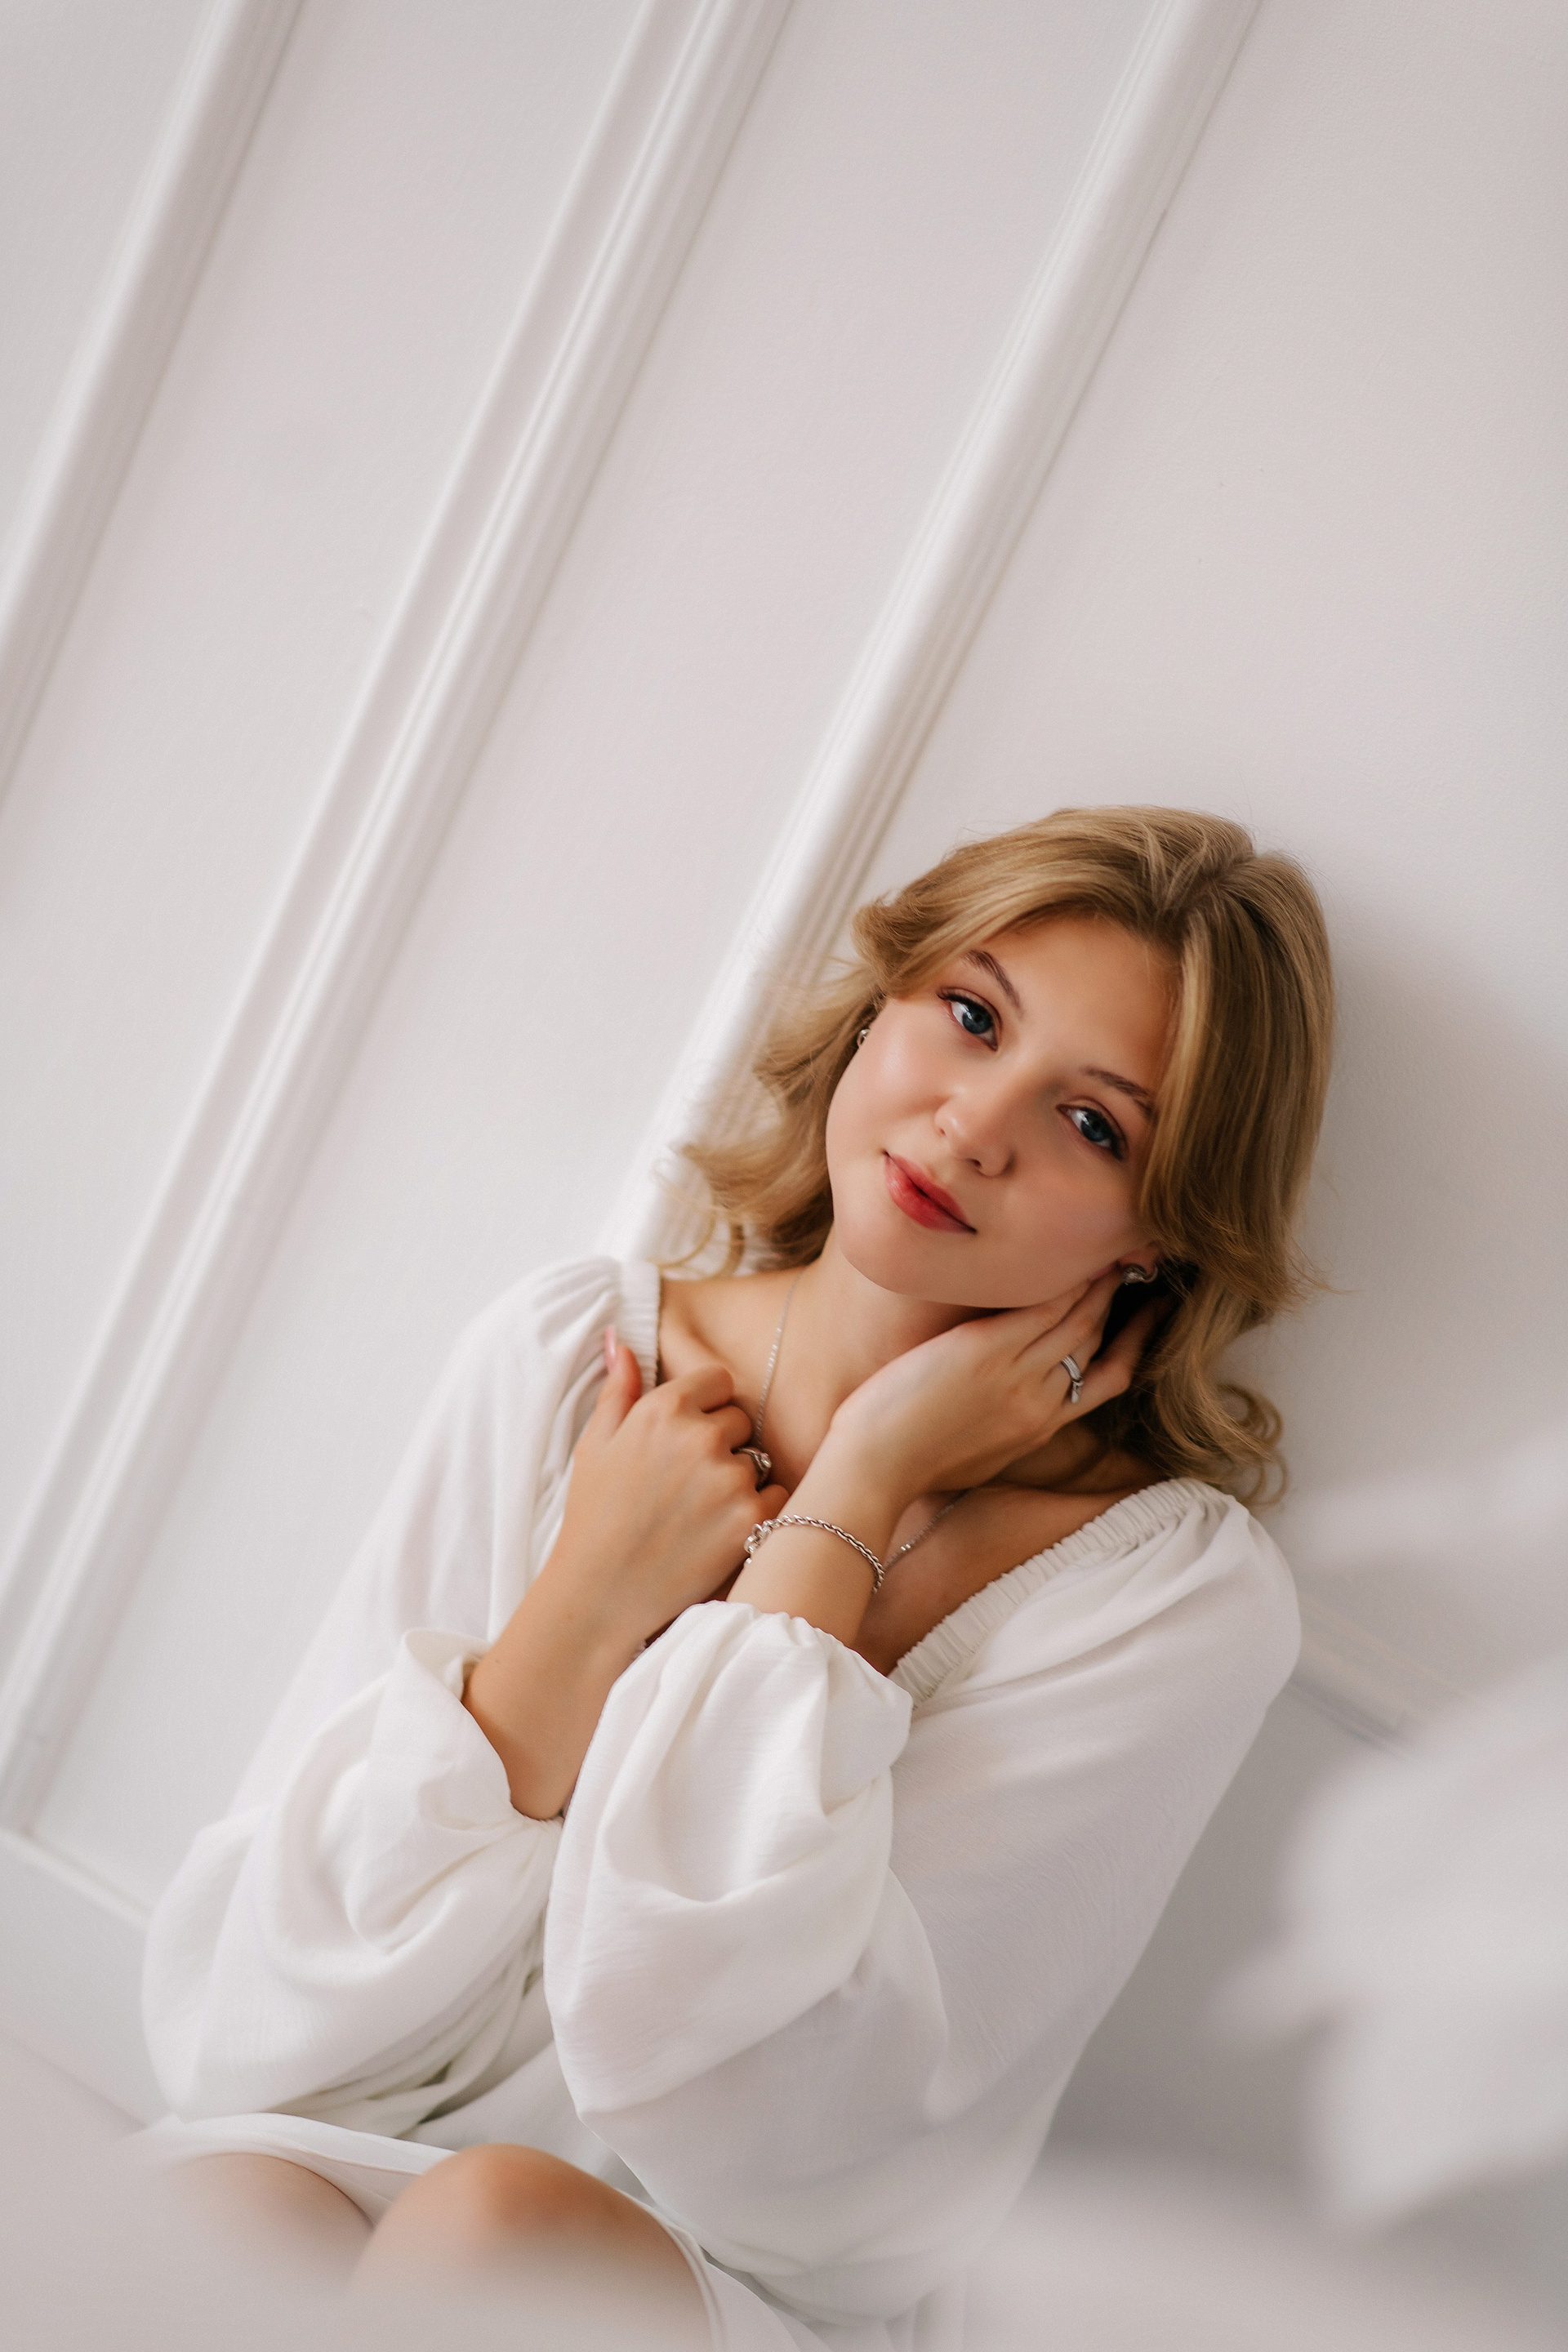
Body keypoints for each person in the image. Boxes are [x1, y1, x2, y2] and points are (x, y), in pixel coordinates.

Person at [136, 806, 1334, 2351]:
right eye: (972, 1017)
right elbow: (247, 2032)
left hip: (725, 2293)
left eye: (1094, 1123)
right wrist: (584, 1603)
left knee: (495, 2234)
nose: (975, 1125)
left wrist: (854, 1495)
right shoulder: (567, 1356)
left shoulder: (1169, 1602)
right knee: (227, 2202)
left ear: (1163, 1234)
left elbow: (792, 2157)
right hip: (351, 2156)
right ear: (879, 1006)